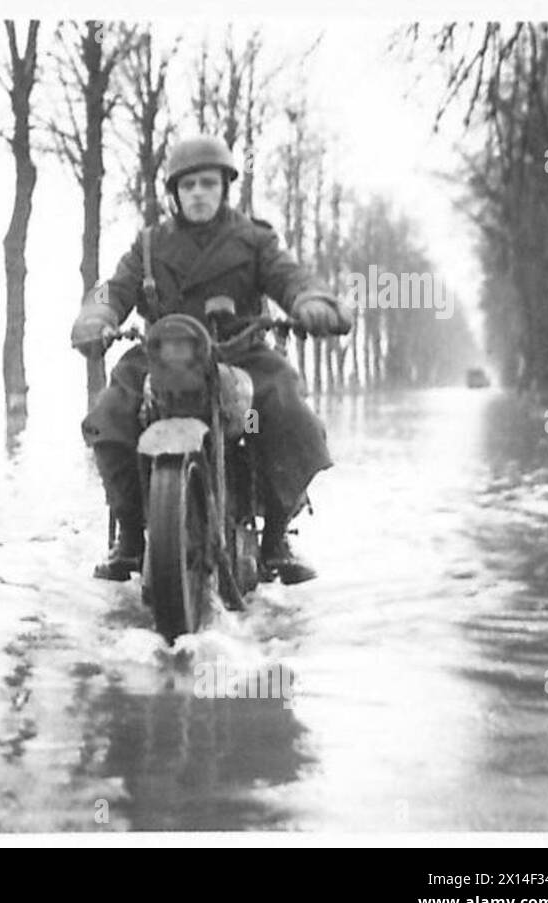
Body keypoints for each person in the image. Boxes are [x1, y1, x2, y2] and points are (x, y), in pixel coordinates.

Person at [71, 134, 351, 584]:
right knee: (111, 416)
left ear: (224, 187)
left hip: (241, 353)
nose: (198, 193)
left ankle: (276, 538)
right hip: (162, 357)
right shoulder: (148, 246)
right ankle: (130, 537)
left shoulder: (255, 240)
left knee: (282, 414)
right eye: (188, 186)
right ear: (174, 194)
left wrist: (311, 300)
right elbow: (111, 288)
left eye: (207, 183)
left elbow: (290, 276)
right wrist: (96, 313)